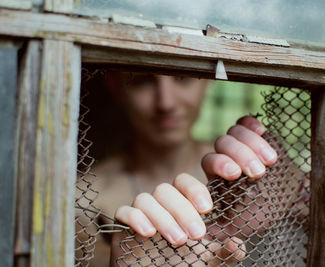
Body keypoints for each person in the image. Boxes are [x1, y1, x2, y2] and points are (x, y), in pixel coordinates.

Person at [83, 72, 278, 266]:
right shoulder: (83, 198)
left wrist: (289, 185)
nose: (166, 103)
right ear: (115, 86)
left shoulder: (248, 175)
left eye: (183, 78)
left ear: (208, 80)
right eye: (142, 81)